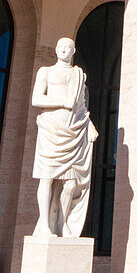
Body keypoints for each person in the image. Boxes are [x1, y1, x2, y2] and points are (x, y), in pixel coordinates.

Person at [31, 37, 98, 238]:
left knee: (70, 183)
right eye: (60, 46)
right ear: (56, 49)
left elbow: (81, 106)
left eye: (67, 47)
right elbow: (36, 99)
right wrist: (62, 101)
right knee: (47, 179)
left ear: (73, 50)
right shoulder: (46, 71)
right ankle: (44, 225)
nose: (63, 49)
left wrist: (90, 126)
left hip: (74, 130)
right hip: (52, 130)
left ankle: (62, 221)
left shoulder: (79, 75)